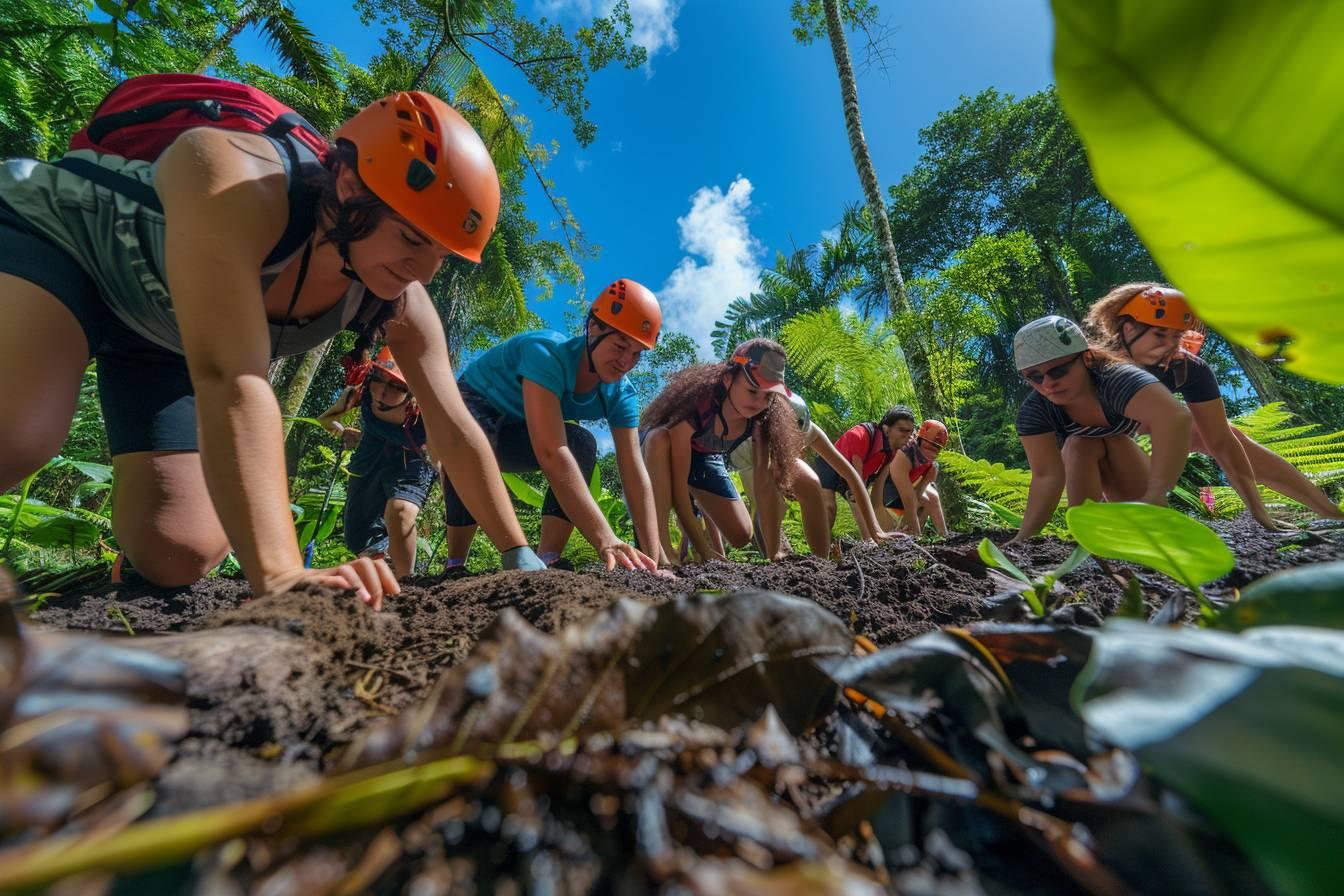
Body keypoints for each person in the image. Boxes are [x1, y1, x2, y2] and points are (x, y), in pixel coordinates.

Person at [0, 86, 548, 610]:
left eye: (441, 256)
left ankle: (103, 584)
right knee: (18, 432)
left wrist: (518, 555)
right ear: (351, 186)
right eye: (410, 238)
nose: (422, 272)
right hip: (60, 244)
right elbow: (232, 377)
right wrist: (283, 573)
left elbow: (454, 427)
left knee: (180, 550)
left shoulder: (399, 298)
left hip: (163, 339)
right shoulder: (236, 174)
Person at [442, 279, 664, 572]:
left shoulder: (622, 394)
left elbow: (634, 472)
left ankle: (547, 558)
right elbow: (551, 452)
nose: (626, 361)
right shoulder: (546, 353)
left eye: (636, 353)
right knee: (470, 441)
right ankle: (455, 563)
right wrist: (605, 539)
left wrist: (652, 562)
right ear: (593, 328)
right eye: (621, 346)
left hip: (516, 431)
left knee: (581, 443)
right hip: (474, 407)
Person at [1085, 283, 1342, 528]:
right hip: (1087, 442)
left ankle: (1331, 513)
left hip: (1135, 433)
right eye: (1159, 334)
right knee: (1102, 444)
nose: (1168, 345)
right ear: (1129, 329)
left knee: (1217, 434)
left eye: (1176, 335)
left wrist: (1258, 512)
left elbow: (1222, 442)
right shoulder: (1091, 365)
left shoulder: (1185, 368)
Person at [1009, 315, 1192, 542]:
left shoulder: (1116, 380)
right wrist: (1022, 539)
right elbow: (1047, 476)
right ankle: (1088, 538)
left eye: (1058, 371)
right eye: (1034, 377)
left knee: (1114, 440)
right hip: (1079, 468)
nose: (1047, 383)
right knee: (1080, 443)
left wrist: (1156, 493)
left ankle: (1151, 525)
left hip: (1127, 467)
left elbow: (1176, 417)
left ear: (1086, 358)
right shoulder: (1036, 410)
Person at [640, 339, 805, 564]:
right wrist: (706, 552)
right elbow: (678, 491)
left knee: (742, 535)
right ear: (728, 379)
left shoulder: (761, 421)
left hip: (704, 457)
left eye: (768, 396)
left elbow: (764, 485)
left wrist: (774, 550)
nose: (759, 402)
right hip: (662, 452)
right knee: (658, 438)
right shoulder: (697, 406)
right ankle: (662, 551)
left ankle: (698, 493)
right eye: (752, 390)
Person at [728, 391, 900, 558]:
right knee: (769, 506)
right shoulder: (750, 442)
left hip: (776, 456)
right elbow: (764, 494)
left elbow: (850, 475)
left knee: (810, 481)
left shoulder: (803, 424)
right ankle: (772, 555)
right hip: (749, 460)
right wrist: (775, 552)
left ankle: (821, 561)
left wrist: (876, 530)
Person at [317, 346, 435, 576]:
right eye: (379, 379)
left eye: (396, 387)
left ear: (411, 391)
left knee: (400, 512)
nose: (382, 392)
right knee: (359, 533)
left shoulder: (423, 410)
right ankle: (384, 570)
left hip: (412, 460)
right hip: (370, 455)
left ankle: (407, 581)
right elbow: (326, 419)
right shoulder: (359, 393)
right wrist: (343, 432)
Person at [814, 407, 916, 540]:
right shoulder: (862, 435)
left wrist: (885, 530)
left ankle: (871, 543)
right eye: (902, 430)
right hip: (830, 464)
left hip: (856, 479)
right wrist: (877, 530)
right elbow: (857, 484)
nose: (908, 436)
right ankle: (821, 549)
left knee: (870, 532)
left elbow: (876, 493)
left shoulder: (892, 454)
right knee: (829, 507)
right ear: (886, 429)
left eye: (910, 432)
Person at [873, 419, 951, 537]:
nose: (930, 451)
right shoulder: (904, 454)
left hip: (908, 493)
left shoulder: (931, 464)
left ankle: (944, 536)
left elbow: (918, 494)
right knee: (893, 534)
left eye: (936, 447)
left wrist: (927, 481)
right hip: (886, 495)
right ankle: (914, 535)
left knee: (932, 496)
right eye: (928, 445)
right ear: (919, 440)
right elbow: (909, 500)